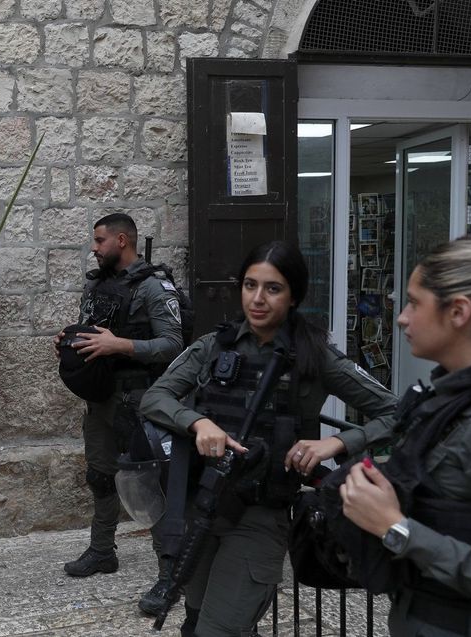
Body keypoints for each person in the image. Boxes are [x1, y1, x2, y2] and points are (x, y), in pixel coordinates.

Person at [139, 240, 397, 637]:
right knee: (194, 617)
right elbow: (155, 397)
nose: (257, 299)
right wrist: (197, 423)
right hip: (203, 505)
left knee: (218, 630)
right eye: (249, 285)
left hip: (260, 515)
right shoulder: (214, 345)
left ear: (293, 296)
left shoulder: (315, 355)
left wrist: (338, 443)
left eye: (272, 288)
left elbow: (397, 412)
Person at [340, 237, 471, 636]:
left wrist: (397, 529)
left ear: (458, 312)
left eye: (415, 303)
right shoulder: (453, 399)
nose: (402, 317)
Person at [54, 213, 183, 594]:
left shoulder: (154, 288)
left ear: (122, 241)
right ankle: (102, 550)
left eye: (99, 241)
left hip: (140, 401)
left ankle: (168, 574)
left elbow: (173, 344)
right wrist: (71, 340)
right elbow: (92, 328)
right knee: (99, 475)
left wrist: (120, 345)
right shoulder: (98, 283)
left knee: (149, 484)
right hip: (102, 397)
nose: (93, 248)